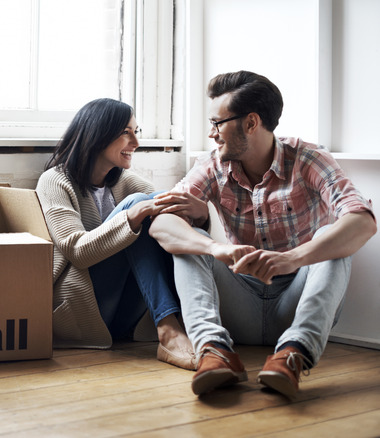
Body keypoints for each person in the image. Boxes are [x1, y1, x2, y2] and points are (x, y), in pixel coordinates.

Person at [150, 71, 376, 398]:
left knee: (333, 238)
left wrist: (291, 259)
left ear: (251, 123)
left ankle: (293, 355)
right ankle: (214, 352)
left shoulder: (308, 159)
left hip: (297, 304)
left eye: (218, 123)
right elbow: (160, 223)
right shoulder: (212, 164)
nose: (212, 133)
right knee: (189, 240)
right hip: (238, 304)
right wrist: (216, 248)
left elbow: (363, 221)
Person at [35, 97, 196, 370]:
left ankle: (192, 321)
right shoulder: (55, 180)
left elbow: (164, 207)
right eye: (126, 133)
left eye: (137, 132)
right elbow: (77, 251)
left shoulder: (125, 180)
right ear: (97, 134)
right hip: (84, 310)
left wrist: (194, 211)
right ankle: (170, 329)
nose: (135, 143)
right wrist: (132, 216)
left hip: (126, 315)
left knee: (158, 204)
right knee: (138, 207)